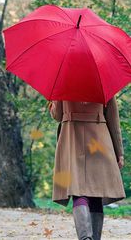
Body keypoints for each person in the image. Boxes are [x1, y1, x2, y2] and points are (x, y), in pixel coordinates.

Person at [48, 96, 125, 240]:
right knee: (96, 191)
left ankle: (85, 238)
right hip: (98, 138)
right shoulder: (102, 80)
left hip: (71, 137)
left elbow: (57, 115)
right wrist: (119, 152)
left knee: (78, 190)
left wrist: (53, 102)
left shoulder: (63, 82)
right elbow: (113, 121)